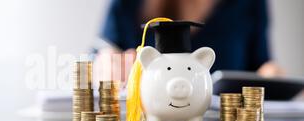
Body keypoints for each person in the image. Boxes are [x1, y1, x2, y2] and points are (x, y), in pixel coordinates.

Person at [93, 0, 284, 85]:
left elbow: (261, 64)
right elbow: (104, 50)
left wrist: (270, 74)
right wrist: (104, 59)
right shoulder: (130, 3)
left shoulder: (249, 3)